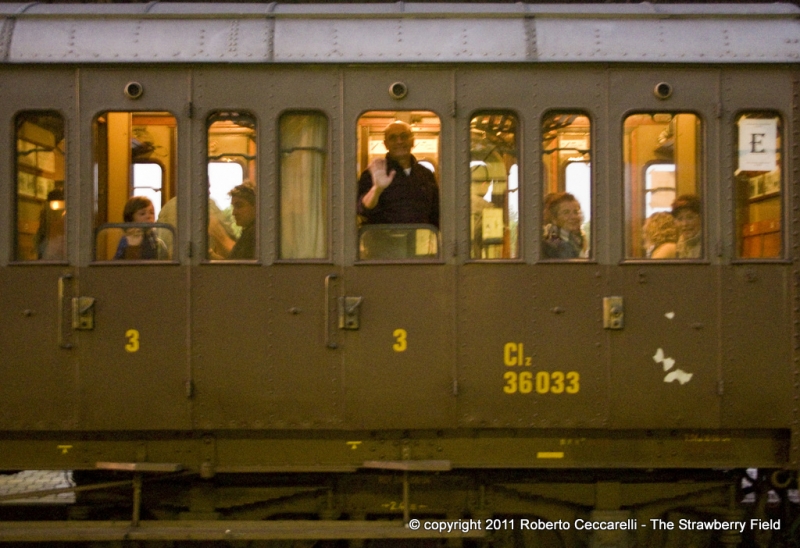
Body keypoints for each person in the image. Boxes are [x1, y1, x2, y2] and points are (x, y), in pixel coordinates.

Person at [357, 121, 439, 227]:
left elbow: (435, 213)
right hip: (381, 240)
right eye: (393, 138)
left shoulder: (426, 174)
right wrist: (377, 189)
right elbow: (362, 209)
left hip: (419, 241)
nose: (399, 141)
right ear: (386, 144)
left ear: (413, 141)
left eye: (404, 136)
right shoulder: (373, 172)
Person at [542, 192, 588, 259]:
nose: (573, 217)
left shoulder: (575, 240)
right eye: (566, 213)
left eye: (576, 212)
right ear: (554, 219)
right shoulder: (555, 245)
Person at [225, 182, 256, 260]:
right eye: (234, 207)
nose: (234, 213)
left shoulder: (254, 235)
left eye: (239, 206)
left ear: (255, 207)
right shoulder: (247, 232)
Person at [671, 194, 702, 259]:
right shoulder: (680, 246)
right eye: (680, 219)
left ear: (701, 218)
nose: (684, 224)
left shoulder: (708, 247)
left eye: (690, 217)